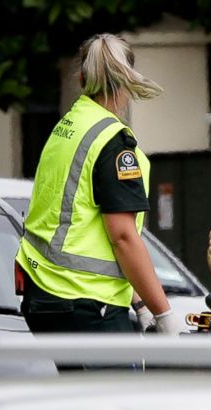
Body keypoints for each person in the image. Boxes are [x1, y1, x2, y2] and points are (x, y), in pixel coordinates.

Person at [14, 33, 181, 335]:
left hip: (44, 293)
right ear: (128, 80)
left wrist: (138, 301)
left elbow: (83, 227)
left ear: (80, 78)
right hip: (85, 303)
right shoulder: (114, 144)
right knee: (120, 385)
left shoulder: (68, 127)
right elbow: (122, 237)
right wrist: (163, 313)